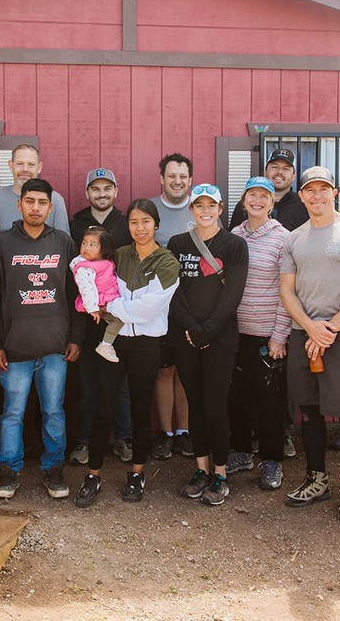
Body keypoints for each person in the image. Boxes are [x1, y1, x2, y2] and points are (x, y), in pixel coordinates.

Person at [280, 166, 340, 524]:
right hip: (303, 335)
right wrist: (310, 327)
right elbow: (286, 290)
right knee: (309, 411)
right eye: (310, 190)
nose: (317, 195)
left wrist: (331, 328)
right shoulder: (294, 239)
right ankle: (317, 479)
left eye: (324, 189)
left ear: (334, 193)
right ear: (302, 196)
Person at [75, 199, 180, 507]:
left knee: (141, 410)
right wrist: (107, 304)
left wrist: (110, 306)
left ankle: (137, 472)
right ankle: (93, 474)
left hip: (147, 345)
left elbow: (149, 308)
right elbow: (89, 275)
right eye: (134, 222)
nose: (140, 228)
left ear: (156, 224)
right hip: (114, 343)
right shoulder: (119, 255)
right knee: (103, 409)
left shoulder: (167, 261)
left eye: (146, 221)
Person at [0, 178, 83, 500]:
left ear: (51, 207)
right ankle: (8, 471)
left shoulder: (64, 242)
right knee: (12, 413)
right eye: (30, 201)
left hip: (55, 348)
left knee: (53, 411)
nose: (35, 208)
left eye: (42, 203)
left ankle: (53, 468)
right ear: (20, 204)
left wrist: (76, 337)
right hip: (14, 350)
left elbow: (76, 294)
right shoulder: (2, 243)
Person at [169, 185, 248, 506]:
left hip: (220, 338)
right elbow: (173, 290)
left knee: (215, 406)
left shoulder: (235, 245)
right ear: (191, 209)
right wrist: (192, 328)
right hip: (185, 336)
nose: (205, 210)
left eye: (211, 205)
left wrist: (207, 331)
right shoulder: (177, 244)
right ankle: (201, 469)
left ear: (220, 209)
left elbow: (233, 294)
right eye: (199, 205)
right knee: (195, 404)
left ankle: (220, 473)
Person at [228, 176, 293, 491]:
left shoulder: (283, 238)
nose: (257, 201)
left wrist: (279, 335)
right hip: (235, 333)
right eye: (251, 195)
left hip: (268, 335)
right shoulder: (234, 235)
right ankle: (241, 453)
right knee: (238, 397)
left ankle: (271, 461)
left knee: (271, 401)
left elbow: (287, 291)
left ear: (272, 202)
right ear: (243, 201)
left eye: (264, 196)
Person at [68, 168, 134, 466]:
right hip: (85, 318)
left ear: (116, 191)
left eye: (108, 188)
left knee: (120, 384)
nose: (102, 193)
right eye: (96, 188)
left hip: (116, 317)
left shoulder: (125, 224)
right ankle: (84, 440)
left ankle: (123, 437)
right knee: (86, 385)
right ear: (87, 193)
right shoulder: (76, 225)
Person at [150, 153, 194, 459]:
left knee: (186, 373)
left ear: (190, 180)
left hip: (192, 306)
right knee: (164, 372)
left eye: (182, 176)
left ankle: (184, 432)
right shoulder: (151, 210)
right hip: (159, 307)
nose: (177, 181)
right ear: (162, 178)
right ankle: (165, 433)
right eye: (171, 176)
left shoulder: (201, 209)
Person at [0, 143, 70, 234]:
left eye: (31, 164)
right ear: (11, 165)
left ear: (39, 167)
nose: (25, 169)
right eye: (19, 164)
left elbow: (63, 240)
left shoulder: (55, 199)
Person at [71, 226, 123, 362]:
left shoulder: (102, 262)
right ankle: (106, 345)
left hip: (106, 299)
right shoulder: (84, 267)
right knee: (118, 320)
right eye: (84, 243)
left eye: (92, 245)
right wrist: (93, 308)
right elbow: (86, 288)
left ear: (104, 249)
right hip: (98, 302)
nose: (86, 248)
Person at [228, 148, 309, 230]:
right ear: (265, 171)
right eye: (275, 167)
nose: (279, 172)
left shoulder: (304, 206)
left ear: (293, 175)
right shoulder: (247, 205)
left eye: (286, 169)